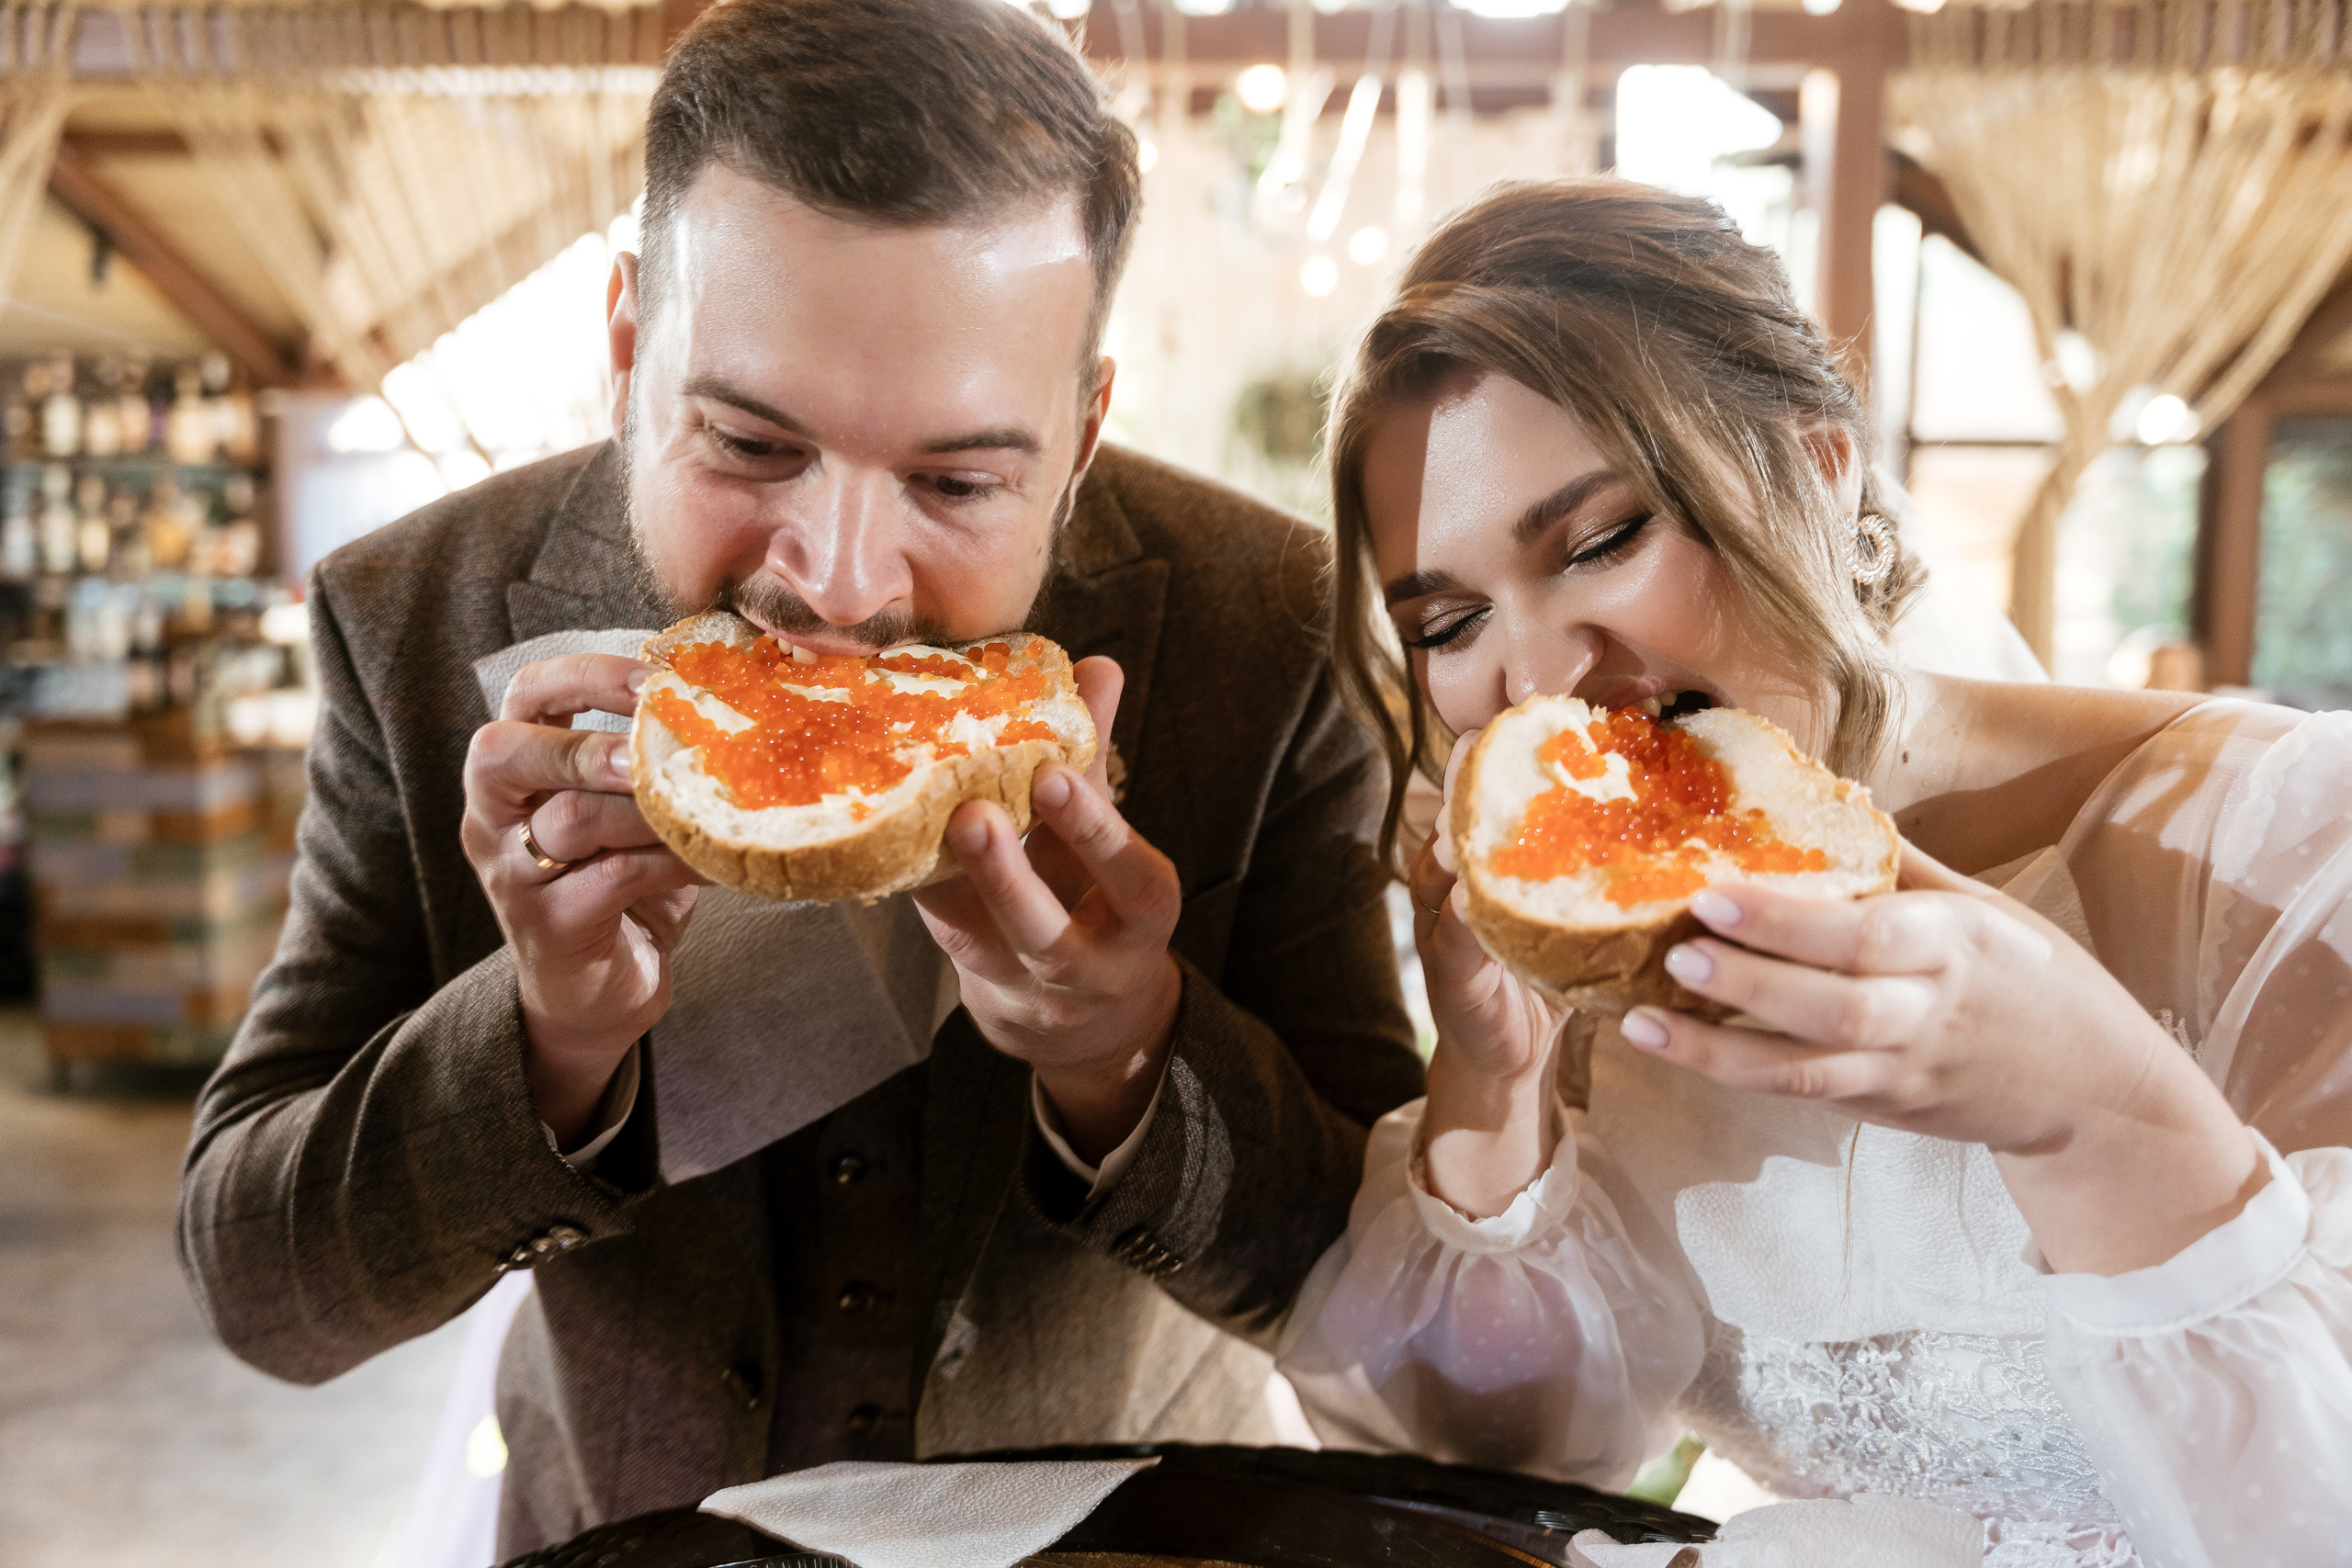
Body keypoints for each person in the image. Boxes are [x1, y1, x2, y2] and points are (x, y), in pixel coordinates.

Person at [177, 0, 1422, 1551]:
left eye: (958, 480)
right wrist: (544, 1043)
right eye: (752, 446)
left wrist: (1130, 1056)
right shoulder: (411, 620)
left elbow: (1378, 1288)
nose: (836, 586)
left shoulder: (1274, 632)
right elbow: (258, 1290)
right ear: (632, 348)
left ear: (1082, 432)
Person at [1274, 178, 2352, 1567]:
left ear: (1822, 469)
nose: (1540, 682)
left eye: (1603, 542)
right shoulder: (1617, 954)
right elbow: (1498, 1471)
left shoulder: (2292, 835)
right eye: (1452, 619)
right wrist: (1494, 1078)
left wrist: (2095, 1111)